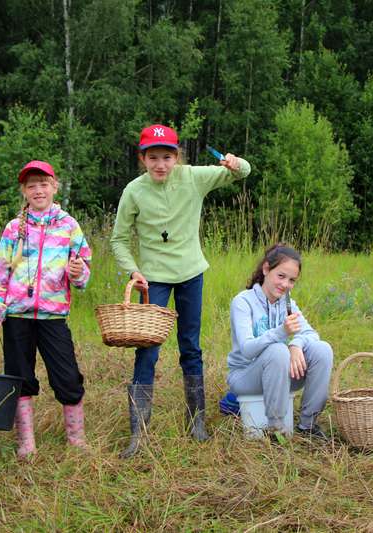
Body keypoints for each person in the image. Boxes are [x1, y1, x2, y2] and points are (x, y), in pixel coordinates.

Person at [110, 124, 251, 458]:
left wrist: (234, 162)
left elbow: (242, 172)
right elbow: (118, 239)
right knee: (148, 350)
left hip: (191, 275)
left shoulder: (193, 177)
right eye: (154, 157)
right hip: (152, 281)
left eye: (167, 157)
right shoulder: (134, 191)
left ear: (177, 157)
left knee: (190, 345)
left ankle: (197, 423)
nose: (161, 164)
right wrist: (134, 270)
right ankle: (138, 433)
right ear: (143, 158)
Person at [0, 160, 92, 459]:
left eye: (43, 183)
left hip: (53, 316)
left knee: (68, 378)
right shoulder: (13, 229)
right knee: (20, 378)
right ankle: (26, 443)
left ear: (54, 186)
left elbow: (84, 274)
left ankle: (76, 440)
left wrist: (77, 272)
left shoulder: (69, 225)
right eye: (31, 185)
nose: (38, 190)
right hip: (17, 316)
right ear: (24, 191)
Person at [226, 244, 333, 439]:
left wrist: (295, 344)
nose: (285, 285)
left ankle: (308, 425)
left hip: (279, 375)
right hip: (245, 376)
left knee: (322, 349)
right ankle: (276, 428)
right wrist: (282, 332)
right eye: (281, 276)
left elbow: (311, 334)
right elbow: (248, 350)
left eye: (292, 280)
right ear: (266, 269)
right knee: (277, 350)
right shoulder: (243, 302)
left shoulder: (288, 304)